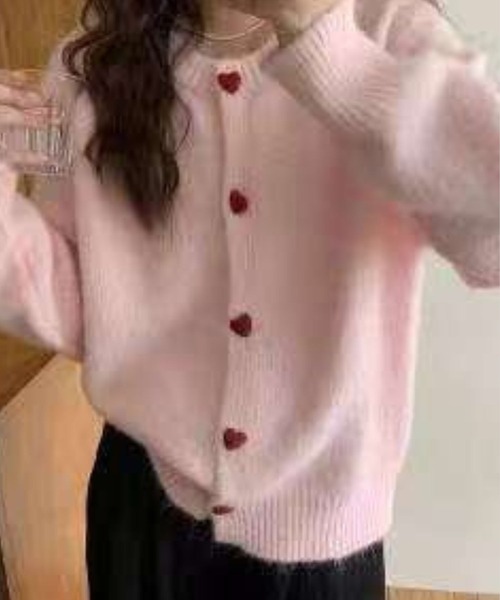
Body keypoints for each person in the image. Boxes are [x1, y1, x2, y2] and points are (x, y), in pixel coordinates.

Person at [0, 0, 498, 597]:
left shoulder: (388, 29)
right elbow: (81, 308)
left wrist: (323, 47)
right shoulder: (94, 61)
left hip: (323, 532)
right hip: (140, 506)